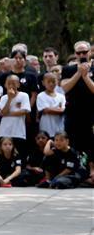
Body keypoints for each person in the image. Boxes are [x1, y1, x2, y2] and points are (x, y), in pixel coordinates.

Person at [60, 41, 94, 177]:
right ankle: (72, 171)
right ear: (75, 54)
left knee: (91, 142)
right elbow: (64, 87)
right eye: (79, 53)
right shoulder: (68, 69)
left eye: (84, 52)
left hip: (91, 113)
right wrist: (79, 73)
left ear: (89, 52)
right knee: (72, 142)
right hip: (73, 113)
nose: (82, 55)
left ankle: (91, 172)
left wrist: (85, 76)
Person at [0, 74, 31, 160]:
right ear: (5, 85)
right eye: (9, 83)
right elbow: (3, 112)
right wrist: (10, 98)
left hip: (18, 132)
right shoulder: (4, 98)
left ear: (18, 84)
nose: (11, 85)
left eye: (14, 83)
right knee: (3, 157)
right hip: (4, 132)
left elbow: (24, 111)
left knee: (19, 156)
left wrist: (7, 114)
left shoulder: (24, 95)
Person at [36, 72, 66, 137]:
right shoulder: (41, 96)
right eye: (48, 82)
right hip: (46, 128)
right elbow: (45, 110)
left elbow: (63, 110)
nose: (51, 84)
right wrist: (58, 109)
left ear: (57, 82)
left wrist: (51, 109)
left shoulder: (61, 96)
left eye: (53, 81)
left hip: (59, 128)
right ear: (43, 83)